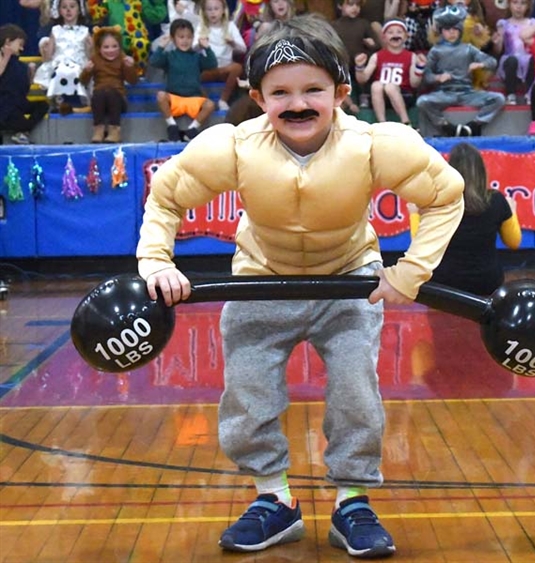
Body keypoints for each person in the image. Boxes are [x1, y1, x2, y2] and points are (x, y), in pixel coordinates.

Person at [136, 13, 465, 558]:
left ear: (339, 90)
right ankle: (275, 501)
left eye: (313, 89)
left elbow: (445, 195)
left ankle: (352, 501)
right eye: (280, 91)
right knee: (247, 394)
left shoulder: (376, 144)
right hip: (261, 281)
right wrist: (155, 262)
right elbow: (166, 197)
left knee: (357, 394)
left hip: (349, 283)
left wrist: (410, 273)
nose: (297, 103)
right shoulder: (233, 147)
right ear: (257, 94)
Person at [426, 142, 521, 295]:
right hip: (487, 283)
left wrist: (415, 214)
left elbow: (423, 245)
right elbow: (514, 242)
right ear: (481, 170)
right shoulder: (496, 200)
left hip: (444, 284)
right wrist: (512, 211)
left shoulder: (438, 201)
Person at [416, 4, 505, 137]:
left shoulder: (468, 48)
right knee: (422, 102)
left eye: (454, 29)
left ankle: (473, 126)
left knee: (499, 99)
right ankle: (446, 127)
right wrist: (437, 78)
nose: (451, 32)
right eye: (447, 29)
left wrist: (480, 64)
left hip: (467, 92)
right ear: (441, 31)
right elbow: (427, 76)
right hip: (445, 93)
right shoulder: (436, 51)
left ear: (460, 30)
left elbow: (492, 62)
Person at [149, 18, 217, 141]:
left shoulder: (197, 56)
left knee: (210, 104)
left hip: (193, 99)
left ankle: (192, 129)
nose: (185, 40)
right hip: (175, 99)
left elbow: (212, 64)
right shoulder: (169, 56)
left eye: (189, 37)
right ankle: (172, 126)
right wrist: (161, 47)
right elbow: (154, 61)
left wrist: (206, 48)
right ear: (173, 38)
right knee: (160, 96)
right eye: (181, 37)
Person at [355, 18, 425, 126]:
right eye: (390, 32)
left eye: (399, 32)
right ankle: (382, 123)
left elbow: (414, 83)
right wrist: (359, 66)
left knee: (390, 87)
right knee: (376, 85)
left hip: (404, 95)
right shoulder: (377, 56)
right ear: (384, 37)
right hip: (380, 96)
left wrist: (419, 68)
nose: (395, 35)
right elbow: (362, 79)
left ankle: (406, 122)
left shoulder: (411, 56)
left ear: (406, 36)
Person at [80, 25, 138, 142]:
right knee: (99, 94)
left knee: (111, 93)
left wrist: (130, 67)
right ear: (99, 48)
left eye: (114, 46)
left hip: (118, 99)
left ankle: (115, 130)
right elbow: (83, 81)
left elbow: (133, 81)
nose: (110, 50)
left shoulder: (123, 59)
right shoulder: (95, 59)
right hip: (100, 99)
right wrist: (87, 71)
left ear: (120, 46)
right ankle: (98, 129)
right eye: (106, 47)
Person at [33, 0, 92, 114]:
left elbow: (90, 55)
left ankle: (81, 98)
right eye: (64, 7)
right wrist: (45, 49)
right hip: (59, 61)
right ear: (59, 10)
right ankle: (58, 100)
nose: (68, 10)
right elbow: (49, 56)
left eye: (72, 6)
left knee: (75, 70)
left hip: (78, 62)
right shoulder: (56, 30)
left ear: (79, 10)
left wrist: (90, 48)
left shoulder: (84, 31)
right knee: (60, 70)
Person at [87, 0, 168, 75]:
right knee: (110, 46)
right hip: (117, 38)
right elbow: (97, 15)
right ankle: (116, 74)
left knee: (141, 43)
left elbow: (155, 17)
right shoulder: (109, 1)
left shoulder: (139, 1)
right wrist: (92, 2)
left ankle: (139, 73)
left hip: (137, 37)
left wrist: (158, 3)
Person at [0, 23, 49, 144]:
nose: (21, 49)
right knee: (10, 113)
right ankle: (17, 129)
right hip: (5, 104)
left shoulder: (18, 63)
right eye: (19, 45)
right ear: (7, 42)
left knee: (42, 105)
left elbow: (22, 88)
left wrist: (30, 75)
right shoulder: (2, 57)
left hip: (18, 102)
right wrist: (6, 56)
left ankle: (23, 131)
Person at [331, 0, 381, 114]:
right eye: (350, 4)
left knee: (364, 76)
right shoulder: (334, 25)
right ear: (340, 6)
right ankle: (348, 103)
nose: (355, 8)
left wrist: (371, 44)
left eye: (357, 5)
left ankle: (365, 98)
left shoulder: (363, 23)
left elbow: (377, 46)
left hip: (361, 62)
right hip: (343, 63)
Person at [196, 0, 247, 112]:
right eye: (209, 9)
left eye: (216, 9)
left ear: (223, 10)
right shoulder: (201, 27)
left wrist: (232, 43)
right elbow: (192, 49)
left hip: (226, 69)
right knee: (191, 74)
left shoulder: (230, 26)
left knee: (237, 67)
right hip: (208, 69)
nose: (213, 13)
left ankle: (223, 100)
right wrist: (200, 45)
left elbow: (243, 49)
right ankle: (207, 102)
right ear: (204, 12)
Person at [493, 0, 535, 104]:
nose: (518, 7)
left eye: (523, 3)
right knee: (512, 60)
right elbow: (498, 50)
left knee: (533, 59)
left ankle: (530, 93)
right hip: (510, 58)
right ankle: (510, 94)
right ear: (509, 4)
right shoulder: (503, 24)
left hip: (527, 57)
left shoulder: (532, 23)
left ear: (528, 6)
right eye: (515, 2)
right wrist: (497, 42)